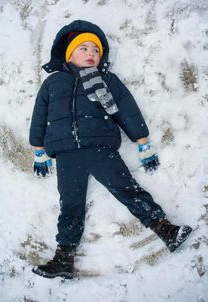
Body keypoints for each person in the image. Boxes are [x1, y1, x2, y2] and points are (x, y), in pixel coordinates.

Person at [29, 19, 192, 279]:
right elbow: (40, 116)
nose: (91, 54)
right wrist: (38, 149)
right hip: (66, 154)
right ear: (69, 54)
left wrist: (142, 141)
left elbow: (126, 109)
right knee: (70, 204)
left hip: (100, 148)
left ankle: (165, 229)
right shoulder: (53, 83)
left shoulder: (106, 80)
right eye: (84, 49)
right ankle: (63, 259)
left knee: (127, 190)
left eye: (96, 50)